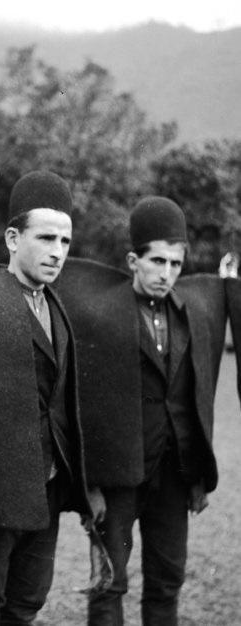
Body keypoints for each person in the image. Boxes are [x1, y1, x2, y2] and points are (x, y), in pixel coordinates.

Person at [0, 171, 103, 625]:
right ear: (13, 238)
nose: (57, 251)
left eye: (66, 241)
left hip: (48, 488)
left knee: (28, 603)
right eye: (46, 237)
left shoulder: (55, 307)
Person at [57, 197, 221, 626]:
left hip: (173, 475)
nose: (166, 274)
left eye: (175, 264)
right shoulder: (102, 316)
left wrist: (198, 474)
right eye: (157, 261)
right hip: (117, 478)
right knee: (109, 582)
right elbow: (82, 403)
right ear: (134, 260)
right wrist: (88, 485)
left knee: (167, 581)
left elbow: (195, 398)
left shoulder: (191, 317)